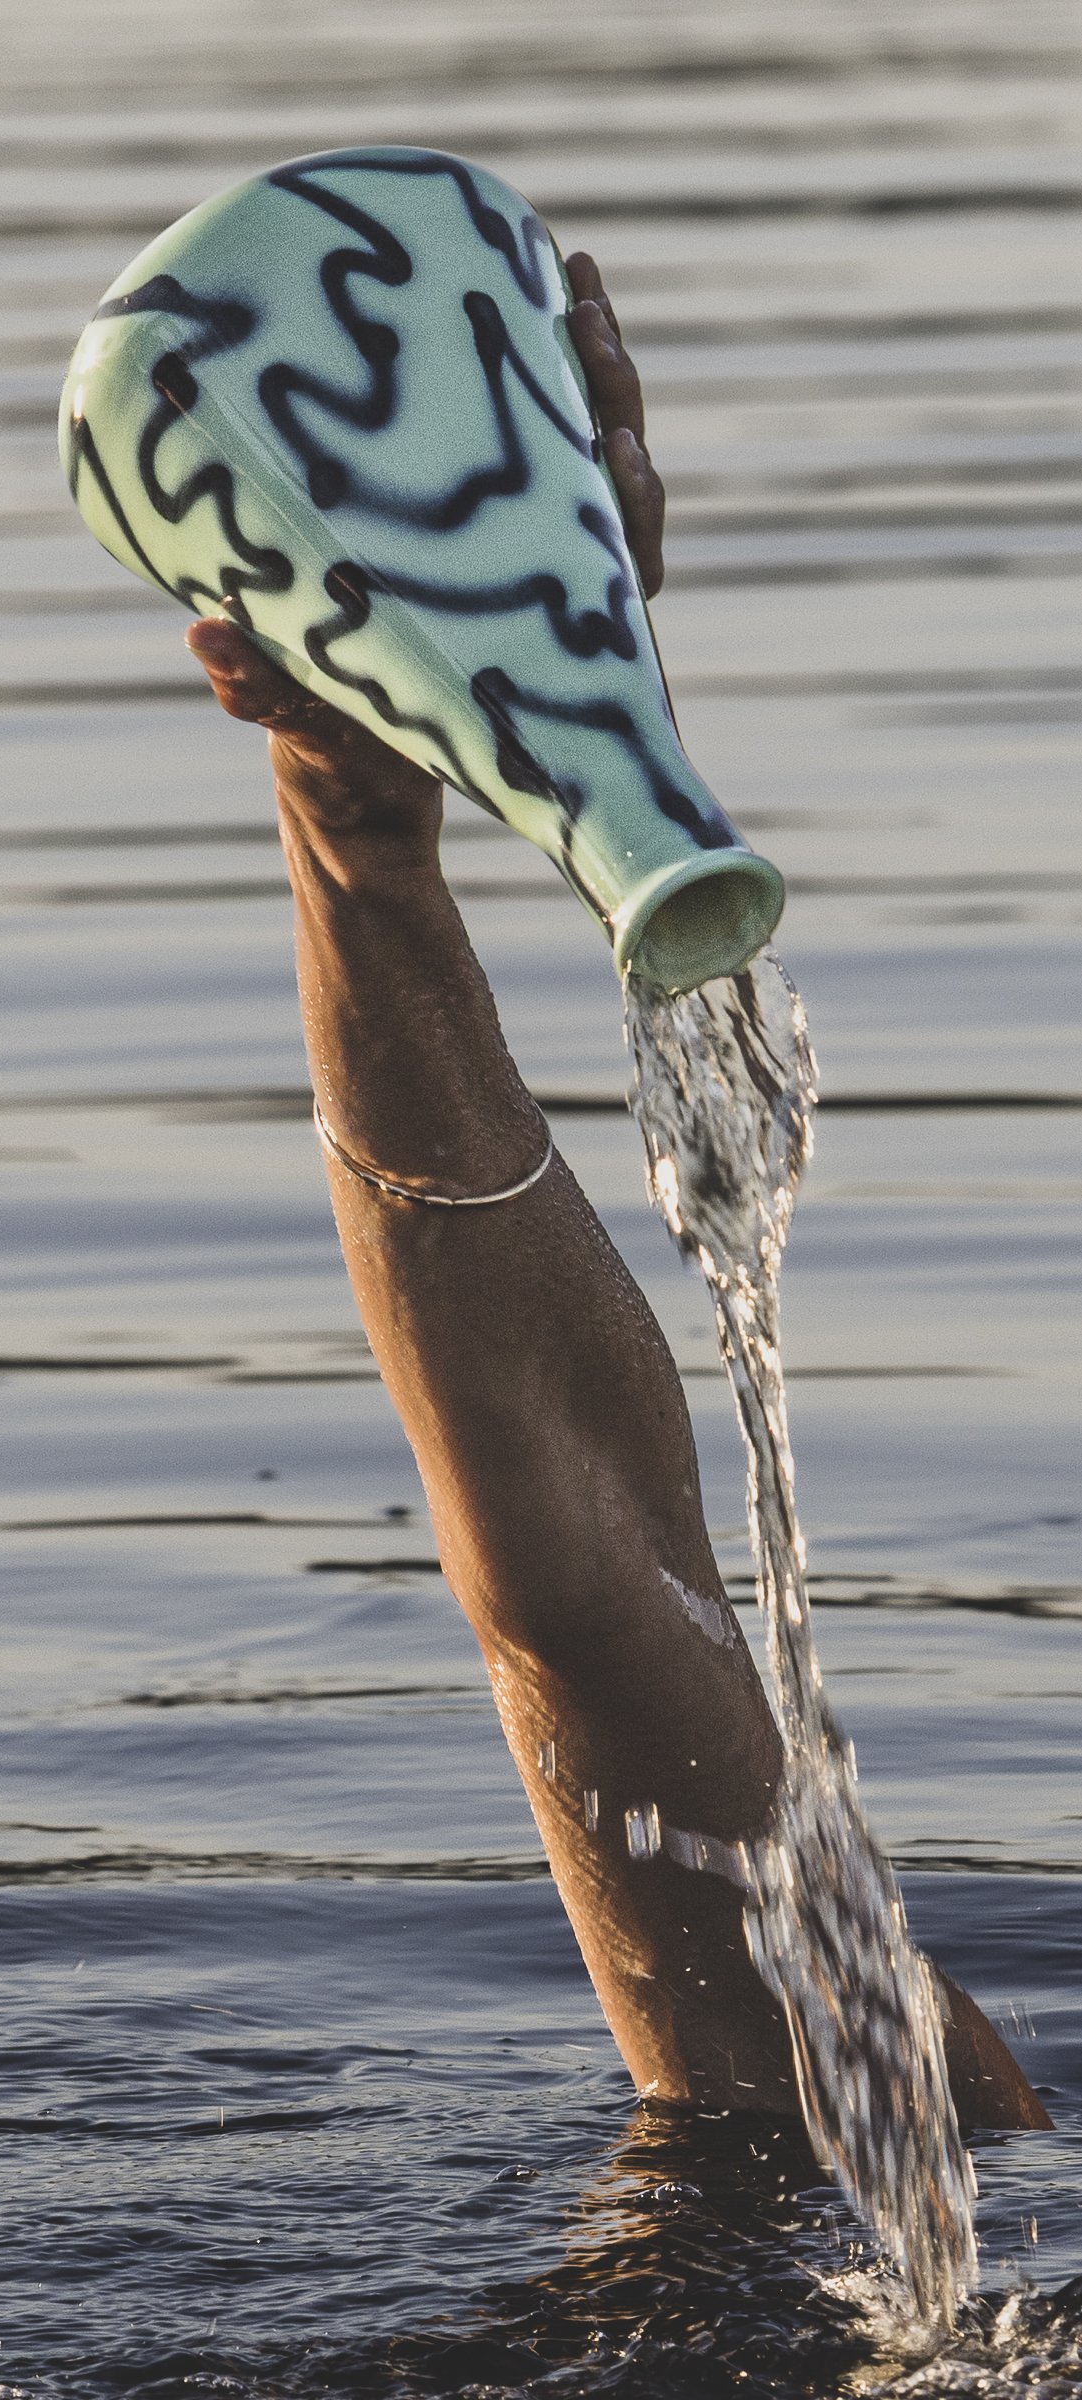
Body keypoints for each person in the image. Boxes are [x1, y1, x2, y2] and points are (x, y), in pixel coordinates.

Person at [183, 254, 1049, 2135]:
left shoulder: (953, 2164)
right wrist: (360, 823)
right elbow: (586, 1590)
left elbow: (585, 1594)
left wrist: (359, 839)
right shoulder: (959, 2161)